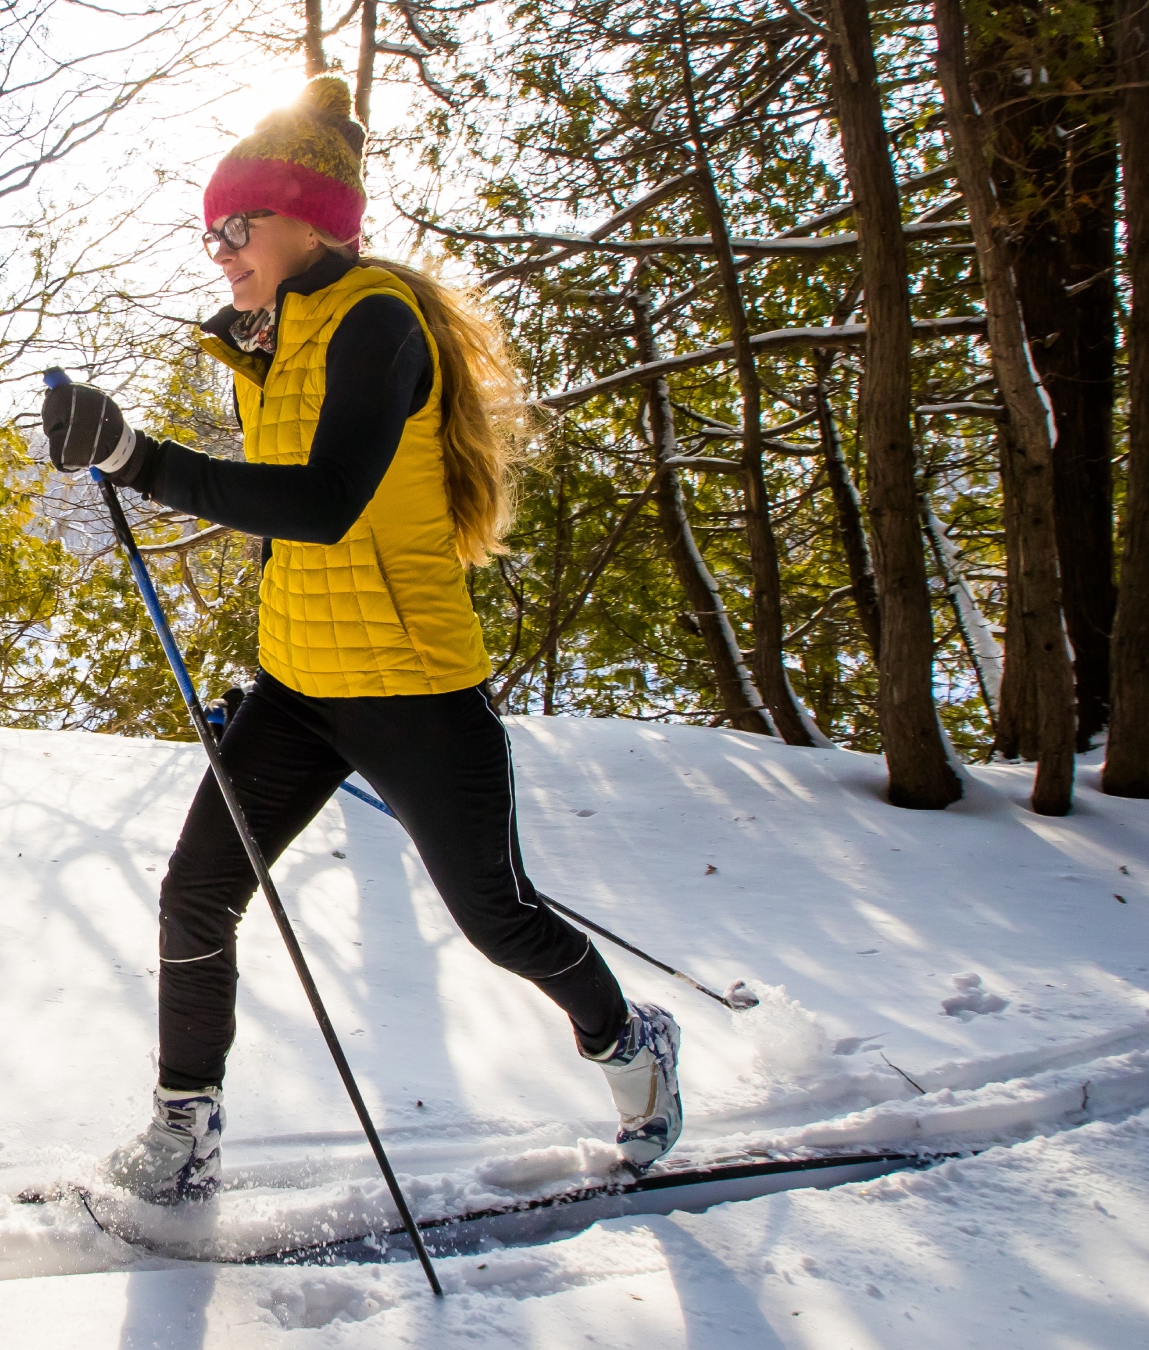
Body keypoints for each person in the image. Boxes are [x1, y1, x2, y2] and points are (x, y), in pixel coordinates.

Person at [38, 74, 682, 1203]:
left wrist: (138, 458)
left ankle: (628, 1040)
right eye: (209, 234)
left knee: (499, 919)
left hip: (417, 690)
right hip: (298, 685)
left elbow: (327, 500)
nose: (220, 250)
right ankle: (184, 1134)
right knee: (197, 890)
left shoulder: (378, 319)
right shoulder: (275, 341)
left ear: (307, 219)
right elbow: (293, 536)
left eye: (237, 226)